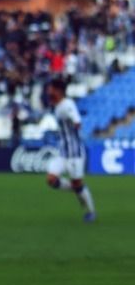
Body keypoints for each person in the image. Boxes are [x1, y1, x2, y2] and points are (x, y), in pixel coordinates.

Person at [43, 77, 97, 223]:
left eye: (51, 88)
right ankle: (78, 189)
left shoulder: (67, 104)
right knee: (51, 180)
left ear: (58, 90)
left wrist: (76, 127)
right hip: (63, 151)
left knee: (77, 182)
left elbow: (77, 121)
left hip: (74, 152)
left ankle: (91, 211)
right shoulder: (57, 105)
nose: (49, 91)